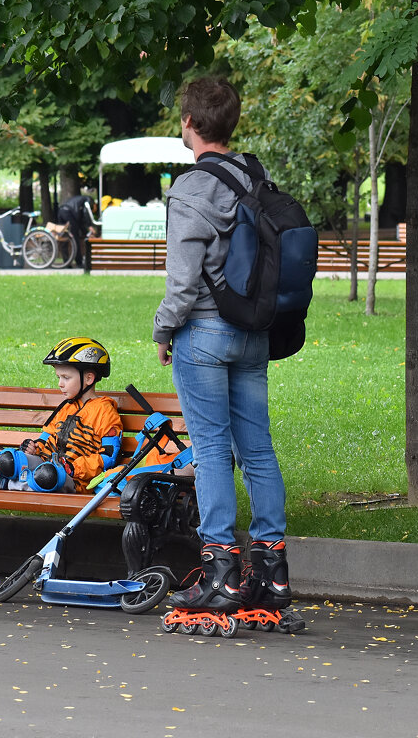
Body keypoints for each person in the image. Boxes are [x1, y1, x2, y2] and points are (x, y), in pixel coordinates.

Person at [153, 76, 292, 616]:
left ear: (189, 122)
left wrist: (165, 330)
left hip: (205, 336)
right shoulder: (254, 174)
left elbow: (183, 281)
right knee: (258, 450)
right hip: (253, 334)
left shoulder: (191, 187)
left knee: (211, 451)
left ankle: (221, 576)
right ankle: (273, 574)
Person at [0, 337, 123, 494]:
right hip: (46, 462)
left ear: (89, 378)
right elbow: (46, 437)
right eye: (58, 377)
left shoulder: (105, 411)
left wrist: (73, 468)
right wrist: (35, 448)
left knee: (46, 476)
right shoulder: (67, 407)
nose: (60, 384)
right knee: (9, 459)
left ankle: (0, 482)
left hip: (74, 479)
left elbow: (108, 457)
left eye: (66, 377)